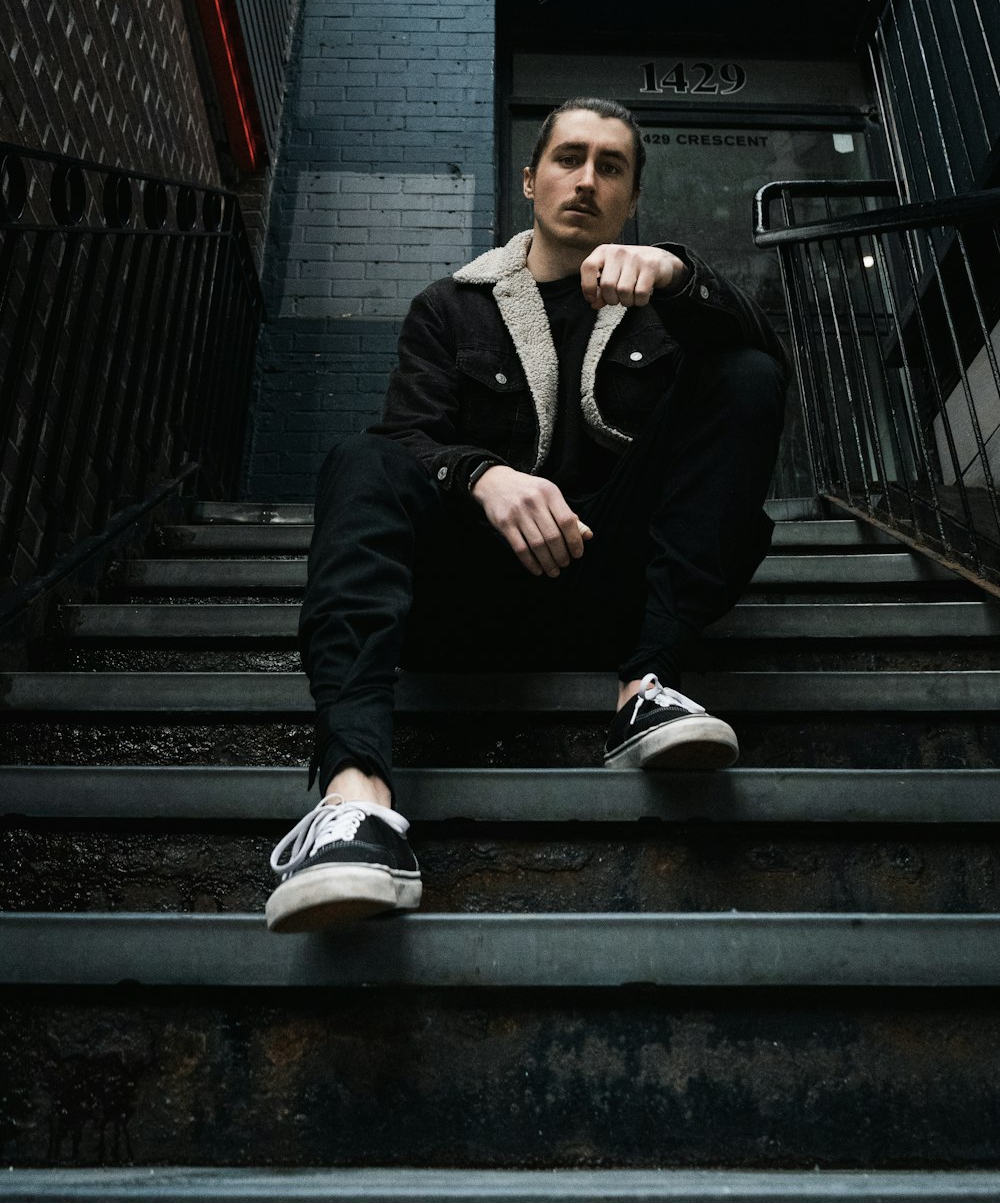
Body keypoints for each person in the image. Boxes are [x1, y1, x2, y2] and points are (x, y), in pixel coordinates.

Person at [266, 97, 787, 933]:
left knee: (749, 375)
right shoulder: (452, 307)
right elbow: (407, 434)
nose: (586, 179)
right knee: (360, 459)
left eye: (610, 166)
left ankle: (646, 688)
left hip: (619, 595)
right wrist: (482, 475)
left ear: (631, 197)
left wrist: (677, 273)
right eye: (569, 158)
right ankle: (354, 800)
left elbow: (763, 359)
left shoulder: (669, 308)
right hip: (471, 600)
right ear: (530, 179)